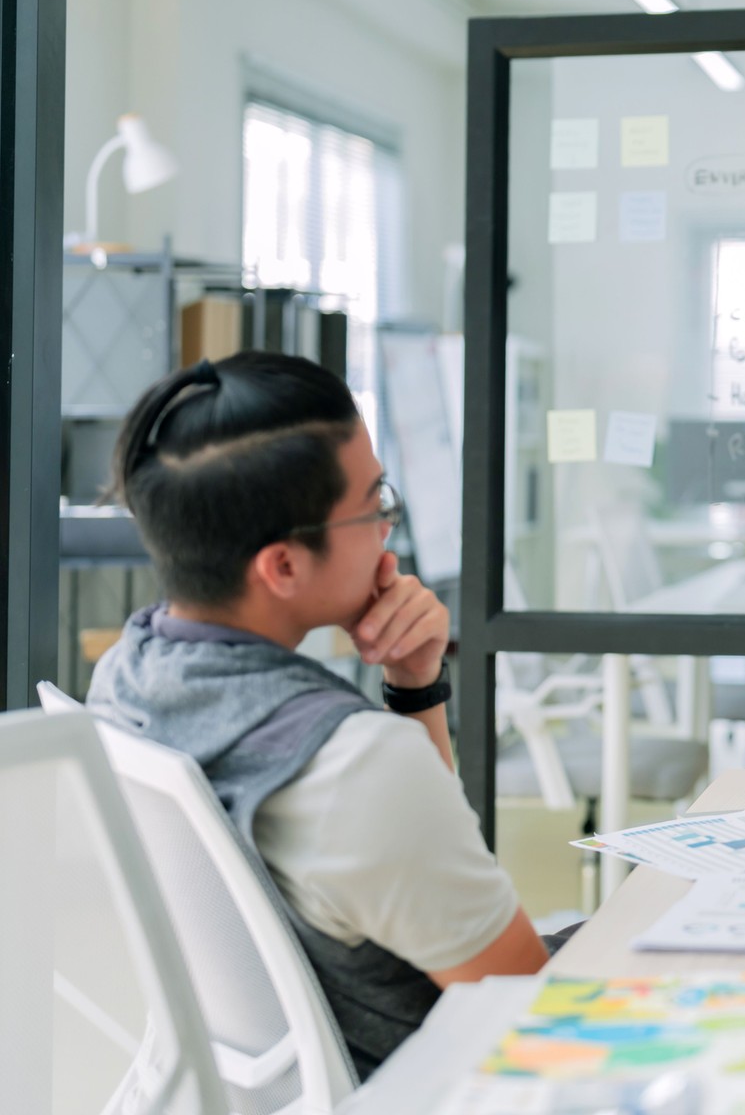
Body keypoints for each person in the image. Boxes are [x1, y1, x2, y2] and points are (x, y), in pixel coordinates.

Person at [87, 353, 549, 1077]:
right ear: (282, 567)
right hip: (444, 1077)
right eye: (374, 506)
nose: (388, 529)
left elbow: (433, 869)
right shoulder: (351, 764)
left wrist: (413, 684)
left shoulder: (124, 679)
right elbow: (523, 1006)